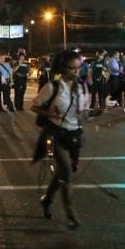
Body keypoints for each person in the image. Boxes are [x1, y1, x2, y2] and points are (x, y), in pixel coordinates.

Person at [31, 49, 89, 229]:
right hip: (55, 134)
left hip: (74, 136)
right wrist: (49, 113)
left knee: (63, 173)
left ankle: (47, 199)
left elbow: (83, 114)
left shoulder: (82, 88)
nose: (77, 72)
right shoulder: (52, 87)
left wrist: (95, 112)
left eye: (79, 68)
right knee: (66, 172)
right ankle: (71, 214)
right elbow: (35, 106)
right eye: (73, 68)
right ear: (63, 69)